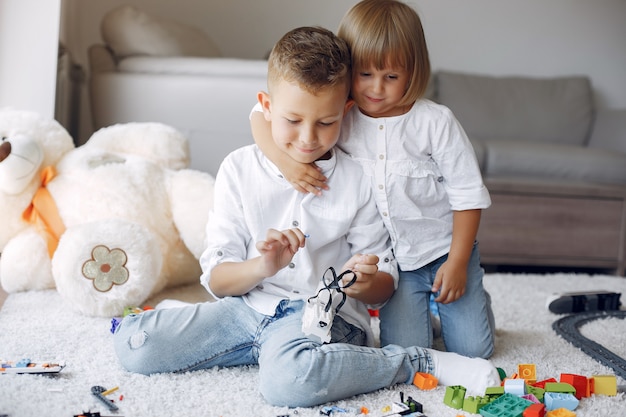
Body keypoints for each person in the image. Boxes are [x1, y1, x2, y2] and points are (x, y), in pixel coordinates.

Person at [113, 26, 500, 408]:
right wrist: (262, 266)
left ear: (346, 113)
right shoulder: (238, 169)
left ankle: (418, 360)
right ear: (266, 107)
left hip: (323, 316)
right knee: (135, 346)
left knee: (290, 383)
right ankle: (266, 348)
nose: (308, 138)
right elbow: (218, 276)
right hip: (248, 307)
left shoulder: (357, 178)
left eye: (326, 123)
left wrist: (362, 283)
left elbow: (384, 283)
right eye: (292, 121)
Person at [250, 0, 495, 359]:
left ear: (413, 72)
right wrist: (284, 162)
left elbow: (468, 196)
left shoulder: (435, 122)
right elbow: (259, 113)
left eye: (391, 77)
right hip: (395, 264)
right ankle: (429, 313)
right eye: (365, 74)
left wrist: (457, 264)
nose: (376, 88)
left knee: (475, 351)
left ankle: (474, 300)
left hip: (445, 250)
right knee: (405, 351)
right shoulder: (340, 115)